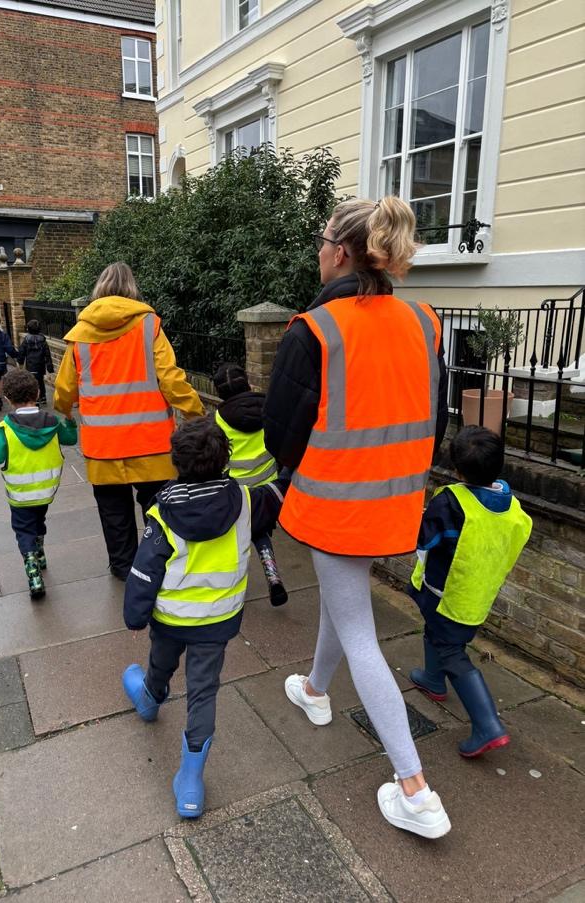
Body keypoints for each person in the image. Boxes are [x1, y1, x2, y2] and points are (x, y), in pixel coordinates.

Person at [264, 196, 452, 840]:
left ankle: (415, 789)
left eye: (322, 241)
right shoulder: (425, 322)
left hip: (336, 504)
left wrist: (296, 472)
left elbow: (279, 436)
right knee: (344, 608)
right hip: (398, 498)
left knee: (360, 631)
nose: (319, 251)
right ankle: (314, 690)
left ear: (341, 251)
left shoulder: (314, 328)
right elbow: (439, 419)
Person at [122, 416, 289, 818]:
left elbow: (145, 572)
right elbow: (280, 491)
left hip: (171, 619)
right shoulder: (248, 501)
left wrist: (135, 615)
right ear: (224, 461)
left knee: (160, 663)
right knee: (202, 692)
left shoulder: (162, 514)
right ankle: (191, 781)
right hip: (217, 621)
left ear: (175, 462)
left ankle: (149, 700)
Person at [53, 261, 204, 580]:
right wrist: (195, 412)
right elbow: (170, 379)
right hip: (151, 443)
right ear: (132, 289)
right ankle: (158, 564)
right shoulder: (149, 326)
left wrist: (64, 409)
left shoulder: (80, 335)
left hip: (103, 447)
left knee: (113, 512)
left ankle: (124, 568)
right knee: (157, 511)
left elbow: (65, 387)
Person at [408, 425, 532, 757]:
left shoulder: (450, 502)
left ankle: (487, 725)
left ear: (457, 469)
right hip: (479, 596)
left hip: (444, 594)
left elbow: (424, 541)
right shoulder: (513, 507)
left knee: (451, 651)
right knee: (442, 636)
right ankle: (433, 679)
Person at [0, 368, 77, 598]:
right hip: (47, 492)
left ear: (7, 399)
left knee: (23, 529)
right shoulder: (52, 422)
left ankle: (33, 571)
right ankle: (40, 553)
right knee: (39, 519)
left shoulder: (5, 428)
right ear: (37, 392)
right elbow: (70, 439)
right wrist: (69, 420)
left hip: (20, 496)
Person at [213, 362, 288, 606]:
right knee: (261, 531)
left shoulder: (219, 418)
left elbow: (219, 456)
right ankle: (272, 575)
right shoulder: (269, 407)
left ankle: (233, 584)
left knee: (237, 535)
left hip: (236, 491)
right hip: (269, 488)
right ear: (247, 383)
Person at [18, 319, 54, 404]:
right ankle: (43, 396)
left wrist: (20, 361)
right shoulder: (43, 341)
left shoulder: (26, 340)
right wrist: (50, 367)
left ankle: (36, 398)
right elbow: (47, 354)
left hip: (30, 365)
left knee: (32, 382)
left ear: (28, 329)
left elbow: (22, 352)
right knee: (40, 380)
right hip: (40, 365)